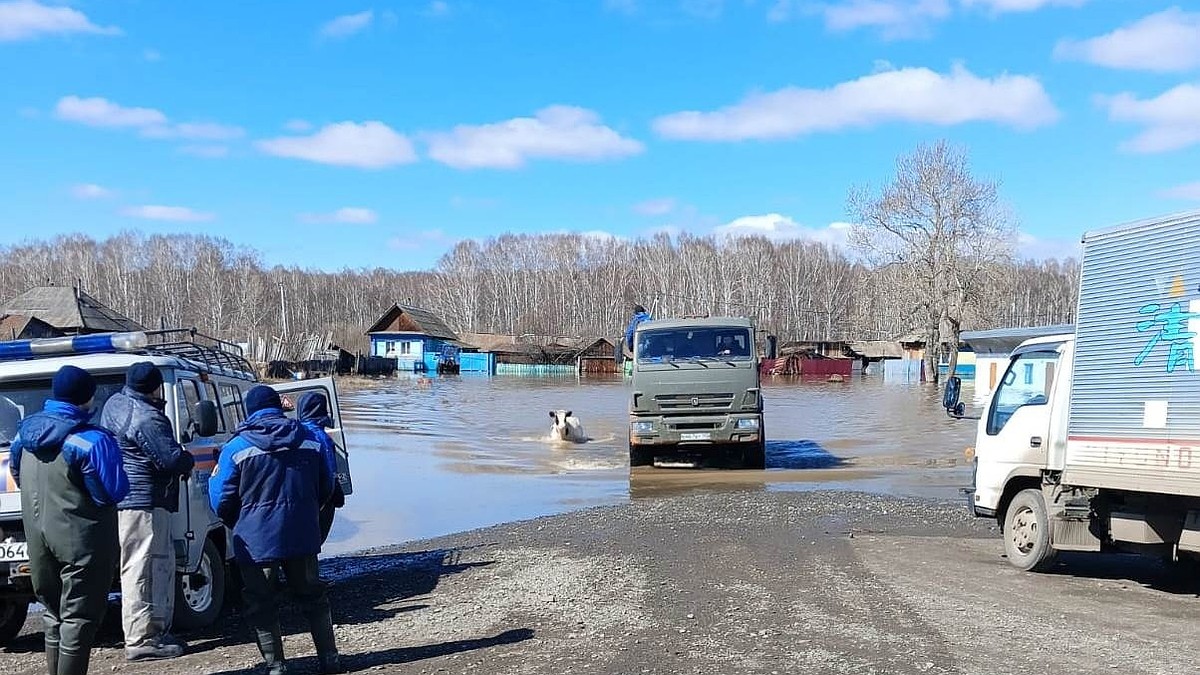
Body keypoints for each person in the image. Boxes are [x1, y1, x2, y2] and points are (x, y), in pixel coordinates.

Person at [209, 385, 340, 675]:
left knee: (260, 603)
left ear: (250, 409)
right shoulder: (308, 438)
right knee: (313, 596)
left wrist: (239, 521)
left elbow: (221, 499)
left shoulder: (237, 447)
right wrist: (308, 513)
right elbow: (327, 485)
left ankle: (277, 666)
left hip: (256, 540)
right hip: (302, 534)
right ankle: (329, 659)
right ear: (278, 407)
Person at [8, 365, 129, 675]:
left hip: (37, 533)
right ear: (87, 398)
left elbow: (18, 475)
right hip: (83, 536)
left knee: (52, 613)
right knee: (79, 617)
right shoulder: (92, 440)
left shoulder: (23, 435)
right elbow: (112, 492)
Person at [101, 362, 196, 661]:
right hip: (143, 501)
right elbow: (169, 459)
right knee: (143, 570)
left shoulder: (115, 403)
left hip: (132, 500)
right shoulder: (147, 416)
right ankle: (142, 639)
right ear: (154, 387)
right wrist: (187, 459)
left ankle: (155, 632)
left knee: (153, 567)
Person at [295, 391, 345, 544]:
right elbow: (330, 472)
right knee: (314, 543)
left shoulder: (295, 432)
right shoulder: (320, 436)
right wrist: (329, 498)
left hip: (299, 497)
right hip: (318, 499)